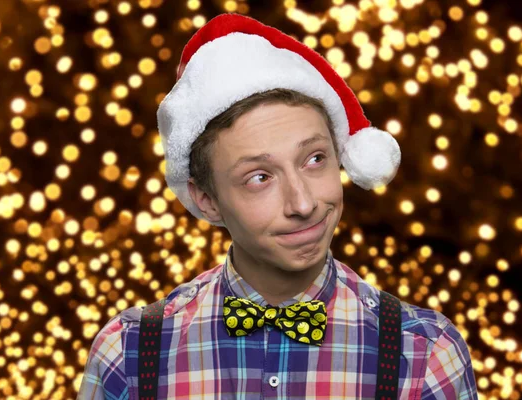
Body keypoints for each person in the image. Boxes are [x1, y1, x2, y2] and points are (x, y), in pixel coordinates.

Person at [77, 13, 478, 399]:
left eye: (315, 159)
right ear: (207, 200)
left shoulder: (425, 355)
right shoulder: (128, 354)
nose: (303, 203)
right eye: (259, 178)